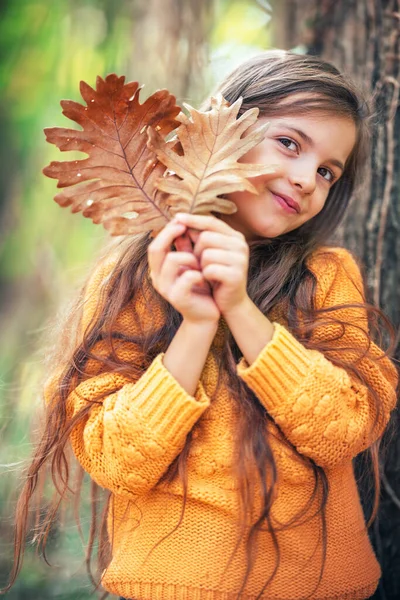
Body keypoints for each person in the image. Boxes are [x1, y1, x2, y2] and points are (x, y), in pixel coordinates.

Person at [5, 50, 399, 600]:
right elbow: (116, 459)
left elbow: (343, 428)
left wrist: (240, 307)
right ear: (219, 129)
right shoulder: (132, 281)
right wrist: (195, 323)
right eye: (290, 143)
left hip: (321, 588)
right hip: (172, 587)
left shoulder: (326, 277)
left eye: (328, 171)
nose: (308, 178)